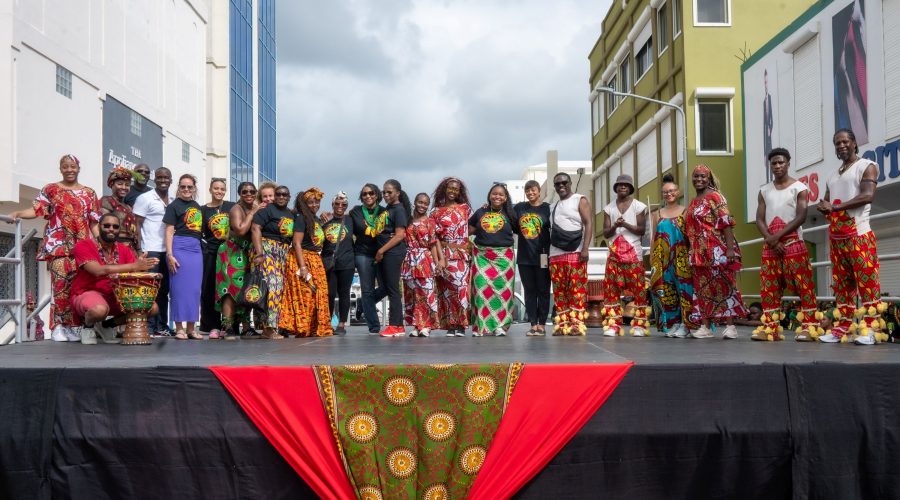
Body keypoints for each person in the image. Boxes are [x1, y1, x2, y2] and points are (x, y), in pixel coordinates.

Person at [7, 154, 100, 342]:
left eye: (73, 166)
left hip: (81, 247)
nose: (69, 170)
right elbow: (36, 210)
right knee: (60, 285)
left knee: (77, 287)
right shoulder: (51, 189)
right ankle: (58, 326)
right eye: (65, 166)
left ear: (78, 168)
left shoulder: (89, 193)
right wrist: (18, 212)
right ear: (60, 169)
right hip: (58, 245)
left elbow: (94, 222)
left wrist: (99, 243)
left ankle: (72, 327)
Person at [816, 129, 887, 345]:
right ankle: (842, 328)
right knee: (842, 286)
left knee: (867, 283)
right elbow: (827, 201)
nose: (841, 146)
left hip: (859, 235)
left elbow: (868, 195)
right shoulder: (832, 175)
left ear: (854, 143)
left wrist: (835, 207)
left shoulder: (867, 165)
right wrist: (824, 206)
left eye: (845, 141)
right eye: (837, 143)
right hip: (837, 238)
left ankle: (872, 330)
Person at [754, 148, 819, 342]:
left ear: (788, 163)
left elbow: (801, 216)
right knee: (769, 288)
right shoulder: (764, 190)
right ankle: (770, 328)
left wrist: (776, 237)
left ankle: (810, 327)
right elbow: (759, 219)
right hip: (771, 246)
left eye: (781, 162)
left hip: (794, 243)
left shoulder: (799, 188)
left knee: (804, 286)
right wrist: (771, 240)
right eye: (774, 163)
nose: (777, 166)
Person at [70, 213, 159, 344]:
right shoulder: (84, 245)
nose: (111, 229)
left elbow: (133, 273)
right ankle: (88, 326)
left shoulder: (124, 250)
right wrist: (134, 266)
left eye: (115, 226)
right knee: (99, 310)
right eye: (107, 226)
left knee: (151, 307)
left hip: (116, 295)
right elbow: (98, 271)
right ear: (99, 227)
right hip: (88, 292)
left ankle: (107, 325)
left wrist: (141, 267)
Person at [685, 165, 746, 339]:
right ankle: (705, 327)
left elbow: (726, 222)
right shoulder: (693, 201)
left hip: (717, 249)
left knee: (725, 286)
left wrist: (730, 249)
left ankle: (730, 326)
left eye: (703, 176)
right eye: (696, 176)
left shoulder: (716, 196)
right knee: (702, 289)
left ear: (709, 178)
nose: (699, 179)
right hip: (698, 252)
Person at [280, 188, 333, 337]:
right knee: (305, 294)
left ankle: (314, 328)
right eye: (310, 202)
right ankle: (303, 328)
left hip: (315, 259)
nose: (314, 205)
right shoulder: (301, 218)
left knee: (318, 294)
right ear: (304, 204)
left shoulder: (315, 219)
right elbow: (296, 243)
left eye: (317, 202)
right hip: (302, 259)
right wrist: (302, 266)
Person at [600, 174, 648, 337]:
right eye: (620, 185)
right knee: (611, 290)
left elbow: (641, 230)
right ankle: (613, 325)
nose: (622, 187)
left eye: (626, 185)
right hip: (614, 255)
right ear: (616, 188)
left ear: (630, 188)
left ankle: (640, 325)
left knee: (639, 290)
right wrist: (615, 225)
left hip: (634, 255)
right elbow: (606, 233)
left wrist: (624, 224)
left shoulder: (639, 206)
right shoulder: (608, 208)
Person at [649, 173, 696, 338]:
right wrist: (652, 259)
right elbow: (654, 238)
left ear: (677, 192)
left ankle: (686, 323)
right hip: (662, 258)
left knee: (684, 290)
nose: (669, 194)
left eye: (671, 191)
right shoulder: (657, 214)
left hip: (681, 256)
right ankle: (673, 323)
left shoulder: (685, 211)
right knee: (667, 291)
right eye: (665, 192)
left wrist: (692, 254)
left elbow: (691, 235)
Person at [468, 183, 517, 337]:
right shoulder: (480, 212)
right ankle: (480, 326)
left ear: (505, 198)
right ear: (489, 196)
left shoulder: (510, 213)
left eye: (501, 194)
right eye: (494, 193)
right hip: (483, 257)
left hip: (504, 259)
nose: (497, 196)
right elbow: (468, 230)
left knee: (503, 292)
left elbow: (521, 230)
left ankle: (500, 326)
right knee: (481, 289)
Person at [549, 172, 593, 336]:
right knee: (559, 291)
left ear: (570, 183)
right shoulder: (552, 206)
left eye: (564, 182)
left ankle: (577, 324)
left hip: (576, 251)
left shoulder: (580, 199)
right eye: (557, 184)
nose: (561, 186)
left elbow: (588, 223)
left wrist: (585, 248)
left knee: (577, 289)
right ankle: (562, 324)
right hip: (555, 254)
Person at [215, 181, 262, 337]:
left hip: (246, 254)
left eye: (252, 191)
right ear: (239, 194)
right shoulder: (236, 209)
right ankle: (228, 327)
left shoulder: (254, 207)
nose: (248, 194)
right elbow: (241, 230)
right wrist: (252, 213)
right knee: (229, 290)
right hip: (231, 252)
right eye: (244, 192)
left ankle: (246, 327)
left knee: (246, 289)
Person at [133, 167, 173, 336]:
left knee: (164, 290)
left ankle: (162, 326)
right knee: (149, 289)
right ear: (154, 179)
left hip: (167, 251)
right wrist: (139, 249)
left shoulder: (173, 199)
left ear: (171, 180)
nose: (163, 180)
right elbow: (137, 224)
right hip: (150, 250)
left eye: (166, 178)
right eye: (160, 177)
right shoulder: (145, 198)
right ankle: (148, 326)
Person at [431, 177, 473, 337]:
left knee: (461, 288)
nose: (453, 191)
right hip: (443, 255)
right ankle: (450, 325)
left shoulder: (465, 209)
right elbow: (433, 236)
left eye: (456, 189)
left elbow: (474, 225)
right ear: (445, 189)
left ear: (459, 192)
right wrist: (438, 259)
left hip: (461, 254)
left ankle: (461, 324)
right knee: (446, 291)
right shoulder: (435, 212)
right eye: (450, 188)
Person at [163, 174, 204, 340]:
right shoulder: (173, 206)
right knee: (178, 289)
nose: (186, 189)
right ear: (178, 188)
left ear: (194, 188)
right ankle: (179, 328)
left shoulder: (197, 206)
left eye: (189, 187)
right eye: (183, 186)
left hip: (196, 249)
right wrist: (170, 254)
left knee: (194, 290)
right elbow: (169, 231)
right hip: (179, 247)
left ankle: (191, 328)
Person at [251, 185, 294, 339]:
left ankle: (274, 327)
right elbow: (255, 228)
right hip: (267, 249)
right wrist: (259, 253)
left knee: (279, 289)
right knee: (272, 287)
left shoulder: (290, 213)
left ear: (289, 197)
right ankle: (268, 328)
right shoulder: (267, 210)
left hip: (283, 252)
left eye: (285, 194)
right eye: (279, 194)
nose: (281, 197)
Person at [402, 193, 445, 337]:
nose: (423, 205)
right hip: (409, 260)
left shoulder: (430, 222)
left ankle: (426, 325)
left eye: (426, 203)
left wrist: (437, 262)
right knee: (412, 294)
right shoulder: (407, 220)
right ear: (415, 202)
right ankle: (416, 325)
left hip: (424, 259)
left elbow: (433, 244)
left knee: (426, 293)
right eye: (420, 202)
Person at [514, 180, 551, 336]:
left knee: (543, 290)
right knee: (529, 291)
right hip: (524, 258)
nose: (530, 193)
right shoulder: (520, 208)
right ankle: (533, 324)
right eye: (527, 190)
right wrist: (487, 207)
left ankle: (542, 324)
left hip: (543, 256)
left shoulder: (547, 208)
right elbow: (504, 214)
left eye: (533, 190)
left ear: (539, 191)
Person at [348, 183, 386, 333]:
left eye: (371, 193)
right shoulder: (355, 212)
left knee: (386, 287)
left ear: (377, 195)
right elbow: (345, 223)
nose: (368, 196)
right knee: (367, 290)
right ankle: (374, 326)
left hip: (382, 253)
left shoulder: (384, 211)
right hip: (363, 254)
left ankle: (362, 304)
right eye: (364, 194)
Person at [199, 178, 234, 338]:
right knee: (209, 289)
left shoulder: (231, 206)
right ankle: (211, 325)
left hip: (229, 253)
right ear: (210, 190)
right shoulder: (203, 210)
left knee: (229, 289)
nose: (219, 191)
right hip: (211, 252)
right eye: (216, 188)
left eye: (222, 189)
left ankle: (229, 325)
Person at [375, 179, 411, 337]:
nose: (385, 195)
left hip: (393, 253)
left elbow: (399, 235)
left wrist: (381, 250)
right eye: (384, 192)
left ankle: (395, 325)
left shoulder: (399, 210)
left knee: (393, 289)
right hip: (387, 252)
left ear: (398, 193)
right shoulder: (388, 209)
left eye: (389, 192)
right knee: (389, 288)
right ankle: (399, 326)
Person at [322, 192, 354, 335]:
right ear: (332, 204)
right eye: (337, 203)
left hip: (347, 262)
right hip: (329, 262)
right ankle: (327, 323)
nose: (340, 206)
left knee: (344, 293)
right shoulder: (325, 220)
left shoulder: (350, 220)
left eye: (343, 204)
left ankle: (341, 324)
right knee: (329, 294)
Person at [100, 167, 140, 252]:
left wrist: (139, 251)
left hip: (131, 249)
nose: (124, 187)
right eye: (120, 184)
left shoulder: (129, 208)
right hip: (114, 247)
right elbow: (104, 228)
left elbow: (136, 232)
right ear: (111, 184)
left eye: (127, 185)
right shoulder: (107, 201)